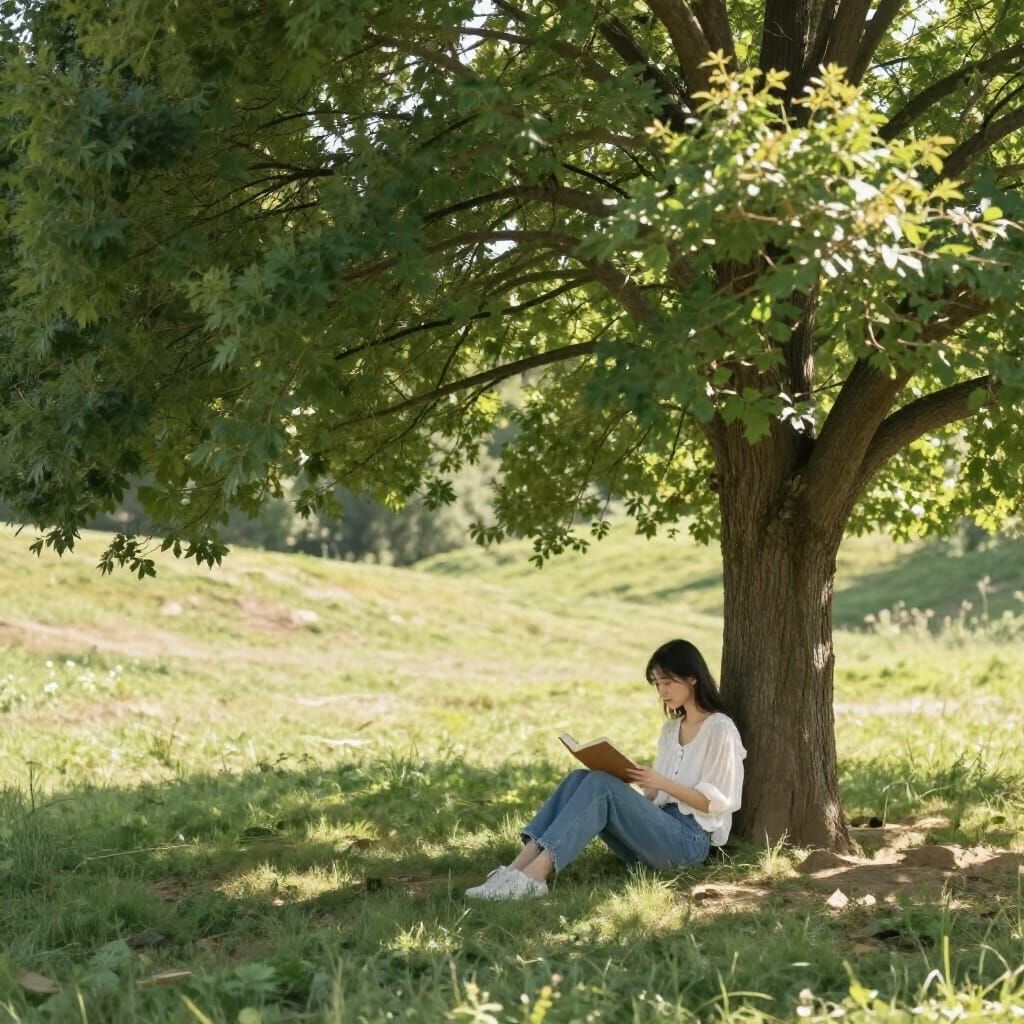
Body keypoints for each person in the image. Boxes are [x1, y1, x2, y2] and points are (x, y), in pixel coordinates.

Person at [466, 639, 747, 901]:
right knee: (582, 778)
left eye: (668, 683)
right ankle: (514, 871)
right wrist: (640, 784)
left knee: (600, 784)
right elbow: (657, 795)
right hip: (656, 835)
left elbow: (716, 803)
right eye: (657, 684)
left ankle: (535, 877)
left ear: (692, 678)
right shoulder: (671, 729)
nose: (662, 692)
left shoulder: (720, 729)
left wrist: (661, 782)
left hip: (688, 843)